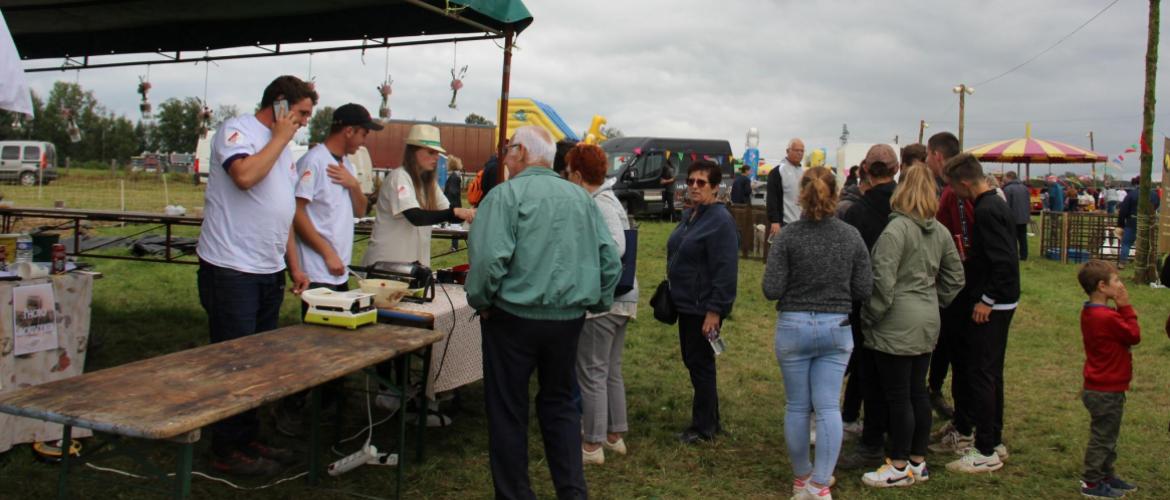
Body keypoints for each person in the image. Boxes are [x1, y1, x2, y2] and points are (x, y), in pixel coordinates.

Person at [466, 126, 621, 500]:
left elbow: (488, 262)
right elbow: (610, 260)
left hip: (512, 319)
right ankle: (572, 493)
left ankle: (516, 494)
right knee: (562, 406)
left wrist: (482, 302)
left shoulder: (505, 196)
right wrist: (596, 302)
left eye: (507, 150)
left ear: (520, 152)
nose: (504, 157)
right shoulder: (581, 198)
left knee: (508, 411)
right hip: (566, 321)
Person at [196, 75, 316, 475]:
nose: (303, 122)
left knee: (258, 362)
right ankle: (225, 448)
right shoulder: (237, 130)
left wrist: (294, 265)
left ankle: (247, 437)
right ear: (280, 104)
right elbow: (245, 177)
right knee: (234, 361)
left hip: (267, 268)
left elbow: (280, 211)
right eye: (300, 113)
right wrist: (280, 138)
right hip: (231, 267)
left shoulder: (282, 148)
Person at [763, 166, 872, 500]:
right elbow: (864, 287)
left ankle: (802, 480)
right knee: (827, 407)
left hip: (794, 325)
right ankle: (820, 483)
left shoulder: (788, 237)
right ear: (836, 193)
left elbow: (771, 288)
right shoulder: (850, 236)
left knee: (797, 406)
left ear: (801, 194)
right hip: (835, 327)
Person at [275, 104, 378, 436]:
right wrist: (326, 251)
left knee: (335, 345)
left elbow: (361, 210)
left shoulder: (345, 164)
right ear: (348, 130)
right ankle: (289, 409)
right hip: (319, 270)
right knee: (312, 348)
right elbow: (297, 212)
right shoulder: (315, 161)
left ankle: (330, 409)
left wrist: (353, 185)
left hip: (338, 271)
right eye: (362, 133)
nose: (363, 141)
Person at [859, 165, 965, 488]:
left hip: (897, 321)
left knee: (898, 395)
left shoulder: (896, 232)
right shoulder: (941, 232)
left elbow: (882, 285)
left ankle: (900, 463)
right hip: (926, 318)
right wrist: (933, 300)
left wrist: (868, 318)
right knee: (917, 390)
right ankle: (918, 460)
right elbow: (955, 277)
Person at [942, 153, 1020, 474]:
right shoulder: (996, 204)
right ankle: (995, 439)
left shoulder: (986, 210)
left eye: (952, 186)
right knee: (992, 373)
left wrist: (986, 299)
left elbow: (1003, 261)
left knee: (982, 375)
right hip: (1003, 301)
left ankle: (985, 448)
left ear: (963, 183)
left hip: (994, 304)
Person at [562, 143, 638, 466]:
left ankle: (591, 445)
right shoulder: (608, 199)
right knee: (609, 371)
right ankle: (613, 435)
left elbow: (616, 248)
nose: (566, 179)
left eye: (568, 173)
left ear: (579, 175)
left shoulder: (598, 203)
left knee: (591, 372)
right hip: (622, 299)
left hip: (606, 301)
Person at [667, 159, 739, 444]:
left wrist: (715, 310)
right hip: (685, 302)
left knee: (700, 364)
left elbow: (725, 270)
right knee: (695, 361)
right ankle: (710, 419)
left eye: (701, 183)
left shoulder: (720, 221)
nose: (694, 187)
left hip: (702, 306)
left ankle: (704, 427)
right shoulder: (693, 215)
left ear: (715, 188)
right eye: (691, 181)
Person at [838, 144, 899, 467]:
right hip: (905, 301)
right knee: (900, 377)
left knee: (870, 373)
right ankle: (900, 440)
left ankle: (872, 441)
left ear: (864, 170)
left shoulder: (858, 212)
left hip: (865, 301)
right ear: (897, 168)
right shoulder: (907, 205)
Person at [362, 124, 475, 269]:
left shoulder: (429, 184)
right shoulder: (399, 177)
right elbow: (415, 216)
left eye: (436, 153)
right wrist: (455, 212)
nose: (436, 158)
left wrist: (471, 213)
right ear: (414, 152)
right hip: (386, 265)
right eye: (430, 152)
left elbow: (448, 211)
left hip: (410, 267)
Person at [1075, 260, 1140, 499]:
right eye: (1117, 281)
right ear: (1102, 286)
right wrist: (1126, 307)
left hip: (1100, 386)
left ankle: (1106, 475)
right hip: (1106, 389)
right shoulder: (1106, 317)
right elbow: (1134, 335)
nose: (1121, 285)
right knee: (1103, 437)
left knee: (1108, 435)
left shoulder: (1091, 311)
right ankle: (1091, 483)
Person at [924, 132, 970, 431]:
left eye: (929, 155)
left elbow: (943, 232)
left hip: (957, 283)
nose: (928, 161)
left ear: (937, 156)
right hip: (959, 281)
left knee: (955, 349)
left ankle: (962, 423)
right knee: (945, 346)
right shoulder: (958, 185)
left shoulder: (954, 190)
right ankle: (935, 390)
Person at [1116, 176, 1160, 268]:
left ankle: (1122, 263)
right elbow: (1156, 206)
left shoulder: (1131, 194)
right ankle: (1145, 263)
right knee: (1147, 244)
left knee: (1126, 244)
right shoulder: (1154, 194)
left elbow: (1123, 210)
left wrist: (1121, 224)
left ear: (1136, 183)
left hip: (1132, 222)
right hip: (1148, 222)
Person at [766, 138, 805, 238]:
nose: (800, 153)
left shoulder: (804, 172)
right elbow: (772, 197)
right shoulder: (778, 171)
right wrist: (774, 220)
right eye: (797, 150)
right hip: (784, 223)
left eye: (802, 151)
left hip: (802, 223)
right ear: (788, 151)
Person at [1002, 171, 1032, 261]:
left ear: (1009, 177)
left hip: (1013, 217)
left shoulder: (1007, 189)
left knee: (1012, 238)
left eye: (1005, 177)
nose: (1004, 179)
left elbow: (1006, 205)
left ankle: (1013, 255)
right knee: (1023, 238)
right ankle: (1024, 255)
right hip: (1024, 217)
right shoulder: (1024, 188)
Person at [443, 155, 464, 251]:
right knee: (454, 225)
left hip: (454, 204)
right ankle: (454, 245)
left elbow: (452, 191)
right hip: (455, 204)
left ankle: (454, 247)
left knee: (454, 226)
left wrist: (450, 204)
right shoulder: (456, 176)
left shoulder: (453, 177)